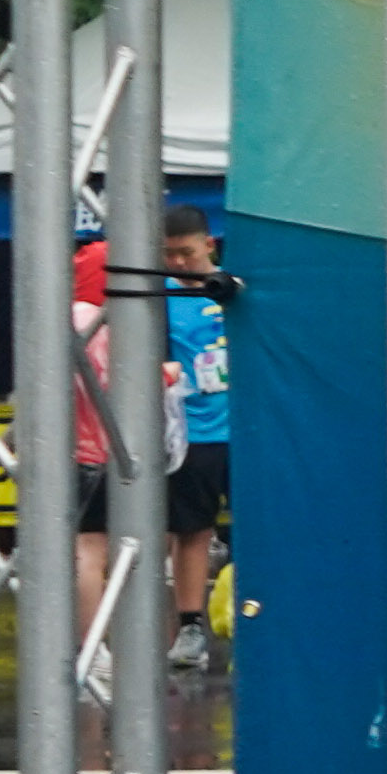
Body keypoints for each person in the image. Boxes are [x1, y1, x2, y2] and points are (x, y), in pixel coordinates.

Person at [158, 211, 235, 669]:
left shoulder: (237, 285)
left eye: (186, 252)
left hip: (247, 428)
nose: (179, 263)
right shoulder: (160, 297)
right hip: (193, 432)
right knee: (191, 531)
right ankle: (190, 626)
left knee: (262, 526)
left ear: (208, 244)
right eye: (169, 254)